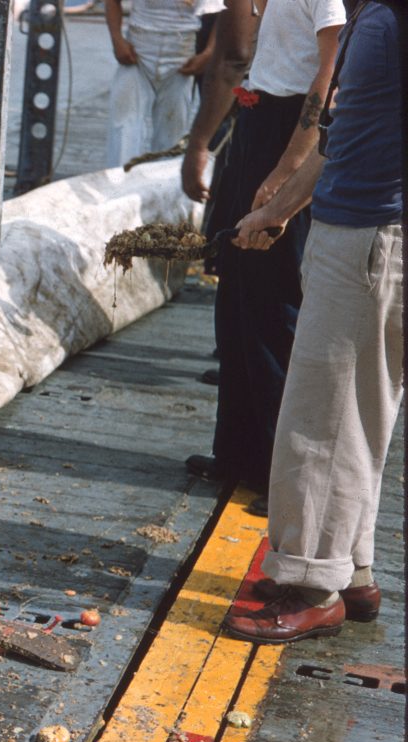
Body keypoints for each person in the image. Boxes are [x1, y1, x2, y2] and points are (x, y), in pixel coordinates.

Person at [222, 0, 403, 644]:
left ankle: (310, 585)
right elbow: (342, 139)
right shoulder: (378, 18)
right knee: (362, 415)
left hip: (372, 237)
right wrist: (281, 209)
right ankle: (351, 570)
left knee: (323, 418)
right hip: (360, 227)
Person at [180, 0, 344, 516]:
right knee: (236, 296)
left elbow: (330, 71)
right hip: (258, 117)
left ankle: (283, 471)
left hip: (288, 130)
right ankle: (240, 451)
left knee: (276, 304)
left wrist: (288, 169)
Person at [104, 0, 226, 168]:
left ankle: (162, 188)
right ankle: (118, 184)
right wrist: (116, 38)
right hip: (138, 49)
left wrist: (210, 51)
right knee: (123, 126)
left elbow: (223, 10)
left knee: (172, 133)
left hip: (182, 54)